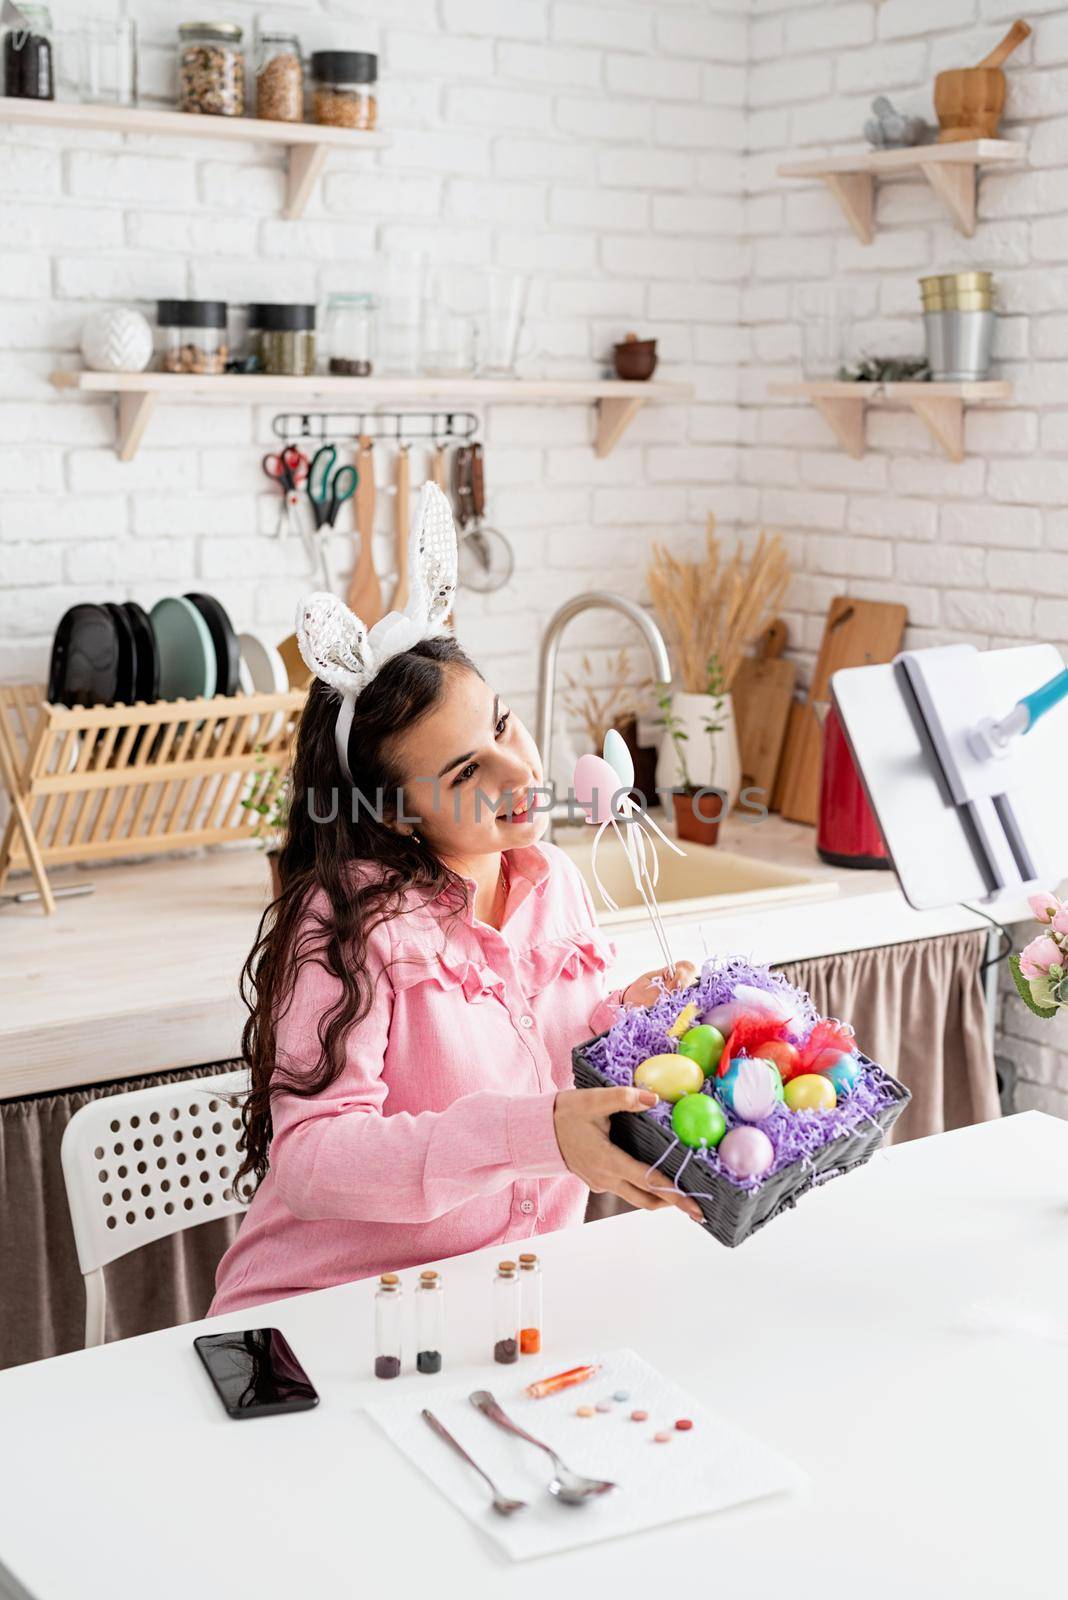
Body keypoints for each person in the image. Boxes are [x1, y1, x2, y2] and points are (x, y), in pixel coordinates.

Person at [210, 484, 699, 1316]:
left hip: (500, 1300)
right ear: (399, 812)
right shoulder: (348, 926)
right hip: (325, 1309)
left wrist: (626, 1021)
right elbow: (314, 1158)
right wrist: (540, 1132)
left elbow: (529, 1048)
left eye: (503, 726)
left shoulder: (554, 881)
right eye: (468, 771)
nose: (521, 773)